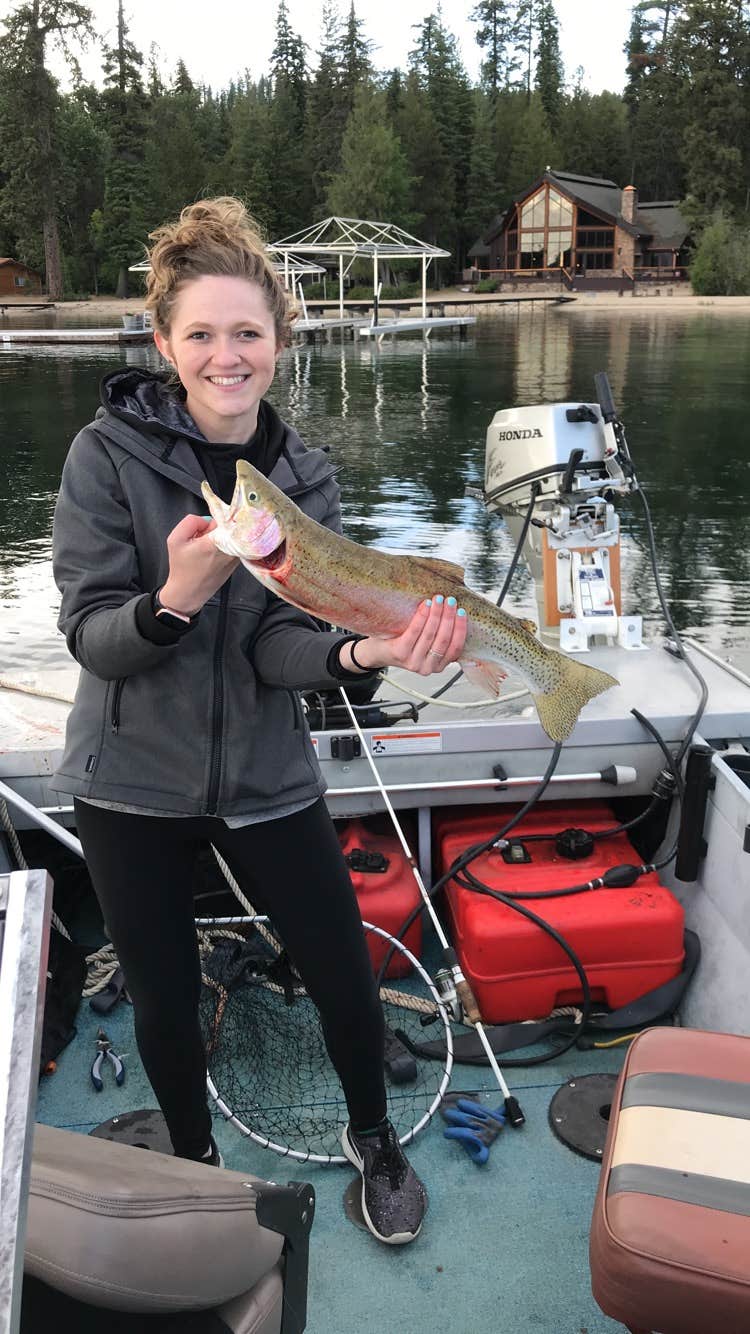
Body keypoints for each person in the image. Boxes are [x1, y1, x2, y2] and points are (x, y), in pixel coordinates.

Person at [52, 197, 467, 1247]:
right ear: (163, 343)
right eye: (201, 333)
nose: (225, 354)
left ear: (281, 341)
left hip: (270, 775)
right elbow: (95, 637)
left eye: (247, 332)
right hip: (127, 779)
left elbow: (278, 652)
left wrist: (365, 650)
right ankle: (194, 1164)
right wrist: (174, 595)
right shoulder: (104, 459)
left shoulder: (301, 476)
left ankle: (373, 1135)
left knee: (338, 961)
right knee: (161, 996)